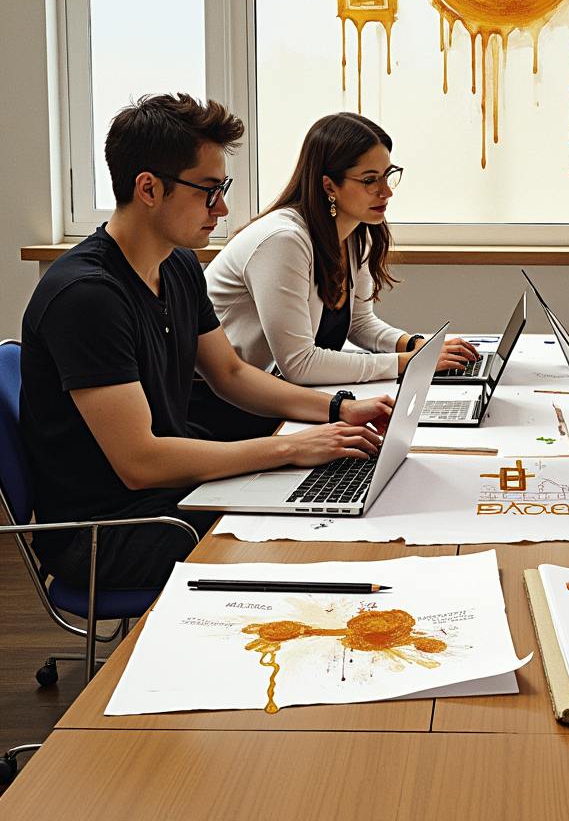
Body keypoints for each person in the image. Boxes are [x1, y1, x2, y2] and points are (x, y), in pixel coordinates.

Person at [20, 94, 394, 590]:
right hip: (109, 530)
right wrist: (288, 449)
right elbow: (139, 463)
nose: (221, 208)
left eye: (224, 188)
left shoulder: (176, 265)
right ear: (148, 188)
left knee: (332, 500)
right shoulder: (86, 296)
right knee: (309, 541)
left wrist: (338, 410)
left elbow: (232, 375)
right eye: (208, 190)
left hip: (173, 495)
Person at [198, 111, 478, 439]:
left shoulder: (353, 231)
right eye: (370, 180)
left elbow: (359, 324)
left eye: (389, 175)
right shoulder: (283, 240)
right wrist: (406, 362)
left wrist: (416, 345)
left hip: (278, 399)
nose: (386, 192)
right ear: (330, 185)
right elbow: (299, 364)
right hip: (226, 409)